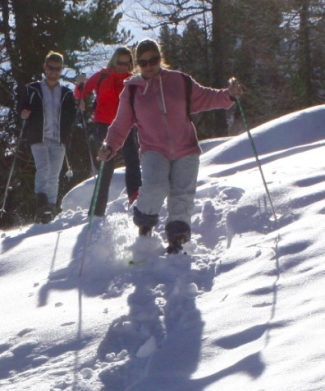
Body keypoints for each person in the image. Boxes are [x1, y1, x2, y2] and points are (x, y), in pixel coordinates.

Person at [99, 38, 244, 254]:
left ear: (161, 58)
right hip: (153, 149)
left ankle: (177, 239)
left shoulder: (180, 81)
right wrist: (109, 145)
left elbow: (206, 97)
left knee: (182, 194)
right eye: (144, 62)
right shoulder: (131, 91)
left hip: (186, 147)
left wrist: (229, 95)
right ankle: (145, 227)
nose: (149, 66)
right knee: (155, 187)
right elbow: (120, 125)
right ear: (138, 64)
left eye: (153, 60)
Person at [76, 46, 142, 216]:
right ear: (114, 61)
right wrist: (80, 88)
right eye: (120, 63)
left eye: (127, 64)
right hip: (103, 125)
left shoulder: (133, 80)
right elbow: (81, 92)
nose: (123, 67)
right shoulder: (102, 75)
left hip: (125, 125)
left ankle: (136, 199)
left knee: (133, 160)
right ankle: (97, 210)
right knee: (107, 163)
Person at [16, 51, 81, 223]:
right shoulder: (32, 89)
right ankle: (42, 205)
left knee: (54, 174)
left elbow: (71, 115)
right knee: (43, 168)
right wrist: (24, 113)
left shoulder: (66, 93)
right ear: (45, 67)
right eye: (50, 68)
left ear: (61, 70)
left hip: (59, 139)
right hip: (39, 136)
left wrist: (79, 107)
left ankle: (50, 208)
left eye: (57, 69)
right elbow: (22, 108)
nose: (53, 72)